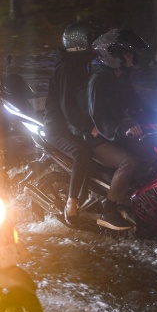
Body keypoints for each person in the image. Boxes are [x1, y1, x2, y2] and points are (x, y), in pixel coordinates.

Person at [87, 29, 155, 231]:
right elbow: (101, 120)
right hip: (100, 139)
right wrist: (125, 128)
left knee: (151, 155)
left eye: (132, 53)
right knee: (129, 162)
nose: (132, 57)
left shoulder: (122, 79)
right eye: (127, 53)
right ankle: (109, 209)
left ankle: (132, 202)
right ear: (112, 54)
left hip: (117, 135)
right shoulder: (98, 81)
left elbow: (139, 106)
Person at [43, 21, 107, 227]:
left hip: (73, 125)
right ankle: (72, 202)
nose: (96, 46)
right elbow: (68, 108)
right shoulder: (67, 69)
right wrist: (89, 127)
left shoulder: (82, 65)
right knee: (82, 152)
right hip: (57, 127)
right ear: (81, 43)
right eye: (92, 41)